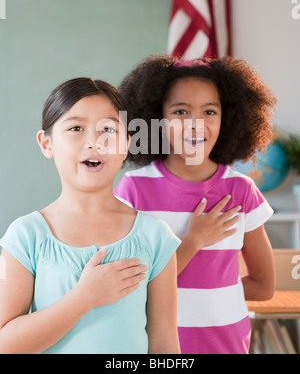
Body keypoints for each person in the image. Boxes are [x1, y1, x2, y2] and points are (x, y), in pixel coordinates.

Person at [0, 77, 181, 354]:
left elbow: (165, 344)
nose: (94, 142)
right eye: (76, 128)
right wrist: (84, 298)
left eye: (108, 129)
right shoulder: (25, 236)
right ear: (46, 143)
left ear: (125, 146)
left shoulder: (155, 237)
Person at [114, 55, 277, 354]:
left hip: (228, 345)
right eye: (180, 111)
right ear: (156, 118)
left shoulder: (241, 191)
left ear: (226, 119)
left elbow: (264, 287)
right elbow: (129, 286)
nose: (195, 124)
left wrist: (214, 293)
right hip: (157, 348)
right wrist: (194, 241)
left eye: (210, 111)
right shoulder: (134, 190)